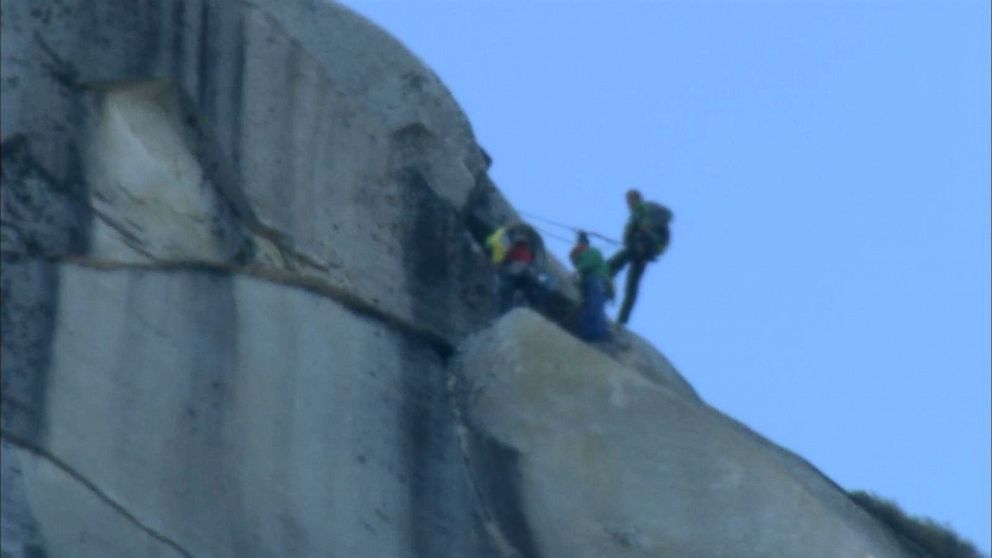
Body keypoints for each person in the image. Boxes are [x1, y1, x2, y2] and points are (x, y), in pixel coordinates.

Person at [607, 189, 672, 326]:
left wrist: (635, 240)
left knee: (618, 264)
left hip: (642, 248)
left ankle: (601, 276)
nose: (628, 204)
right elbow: (629, 233)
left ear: (636, 198)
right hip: (645, 253)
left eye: (629, 200)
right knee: (632, 286)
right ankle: (622, 320)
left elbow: (631, 231)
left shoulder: (643, 210)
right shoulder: (643, 213)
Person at [486, 222, 548, 312]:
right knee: (514, 291)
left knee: (509, 291)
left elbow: (501, 256)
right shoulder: (525, 246)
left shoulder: (518, 245)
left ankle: (507, 311)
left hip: (519, 270)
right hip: (521, 270)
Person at [570, 231, 612, 341]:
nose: (575, 262)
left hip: (597, 282)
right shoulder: (588, 260)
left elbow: (585, 265)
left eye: (576, 259)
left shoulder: (591, 252)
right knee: (589, 310)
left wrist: (576, 273)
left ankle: (598, 334)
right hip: (596, 284)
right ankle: (589, 334)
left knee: (595, 308)